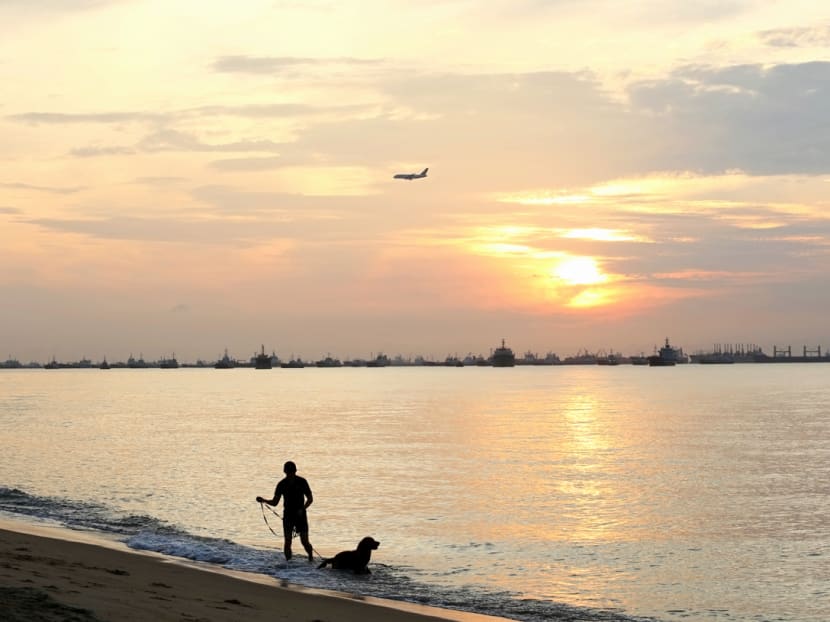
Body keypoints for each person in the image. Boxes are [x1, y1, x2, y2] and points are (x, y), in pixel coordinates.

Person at [256, 461, 314, 562]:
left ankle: (310, 557)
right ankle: (289, 564)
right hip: (288, 516)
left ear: (295, 471)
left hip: (301, 516)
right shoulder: (281, 484)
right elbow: (275, 502)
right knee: (287, 541)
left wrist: (303, 509)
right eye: (288, 472)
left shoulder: (302, 481)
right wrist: (264, 500)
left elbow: (310, 499)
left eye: (291, 472)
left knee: (304, 541)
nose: (290, 474)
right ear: (285, 472)